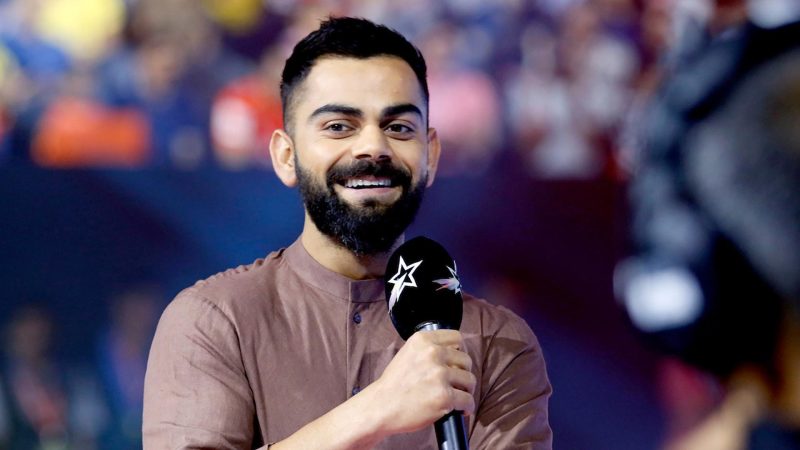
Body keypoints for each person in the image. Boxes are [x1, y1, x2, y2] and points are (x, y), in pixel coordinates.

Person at [143, 16, 552, 450]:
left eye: (399, 128)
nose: (373, 147)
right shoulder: (214, 322)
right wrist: (375, 410)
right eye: (339, 126)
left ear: (430, 154)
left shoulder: (497, 342)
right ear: (285, 156)